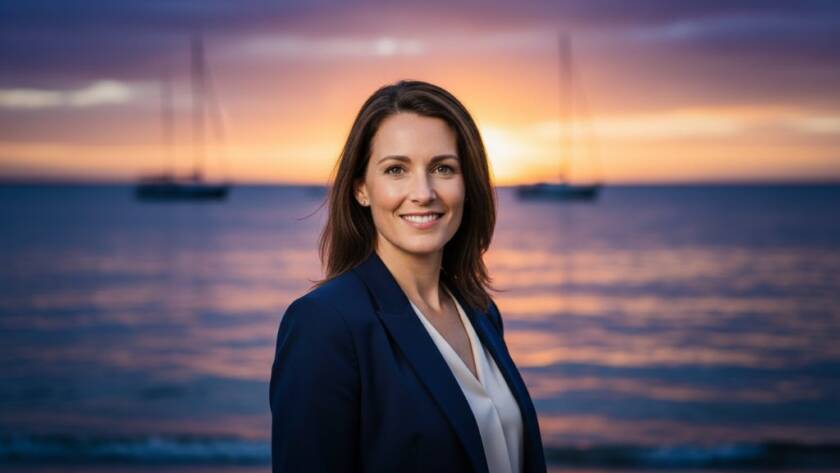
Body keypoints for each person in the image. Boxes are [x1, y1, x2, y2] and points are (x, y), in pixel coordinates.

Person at [269, 79, 546, 473]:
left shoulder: (481, 312)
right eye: (396, 169)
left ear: (467, 184)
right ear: (361, 188)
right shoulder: (324, 324)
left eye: (443, 168)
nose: (423, 192)